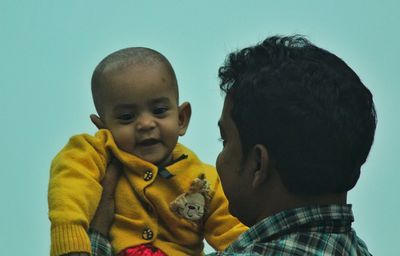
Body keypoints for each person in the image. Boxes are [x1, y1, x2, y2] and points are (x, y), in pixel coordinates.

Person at [89, 35, 375, 255]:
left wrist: (98, 234)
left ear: (258, 165)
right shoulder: (356, 249)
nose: (219, 158)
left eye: (224, 141)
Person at [48, 47, 247, 256]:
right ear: (103, 127)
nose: (145, 124)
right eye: (126, 116)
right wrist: (71, 238)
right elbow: (70, 185)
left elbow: (234, 234)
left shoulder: (205, 180)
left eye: (159, 111)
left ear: (181, 119)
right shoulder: (98, 153)